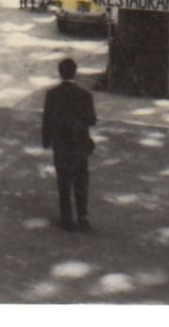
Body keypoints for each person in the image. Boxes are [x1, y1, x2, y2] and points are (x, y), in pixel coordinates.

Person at [41, 56, 97, 232]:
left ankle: (67, 219)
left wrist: (46, 140)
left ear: (60, 73)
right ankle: (82, 217)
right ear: (75, 73)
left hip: (61, 145)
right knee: (81, 180)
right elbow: (92, 120)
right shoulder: (85, 95)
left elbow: (47, 119)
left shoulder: (52, 95)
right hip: (79, 144)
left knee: (63, 181)